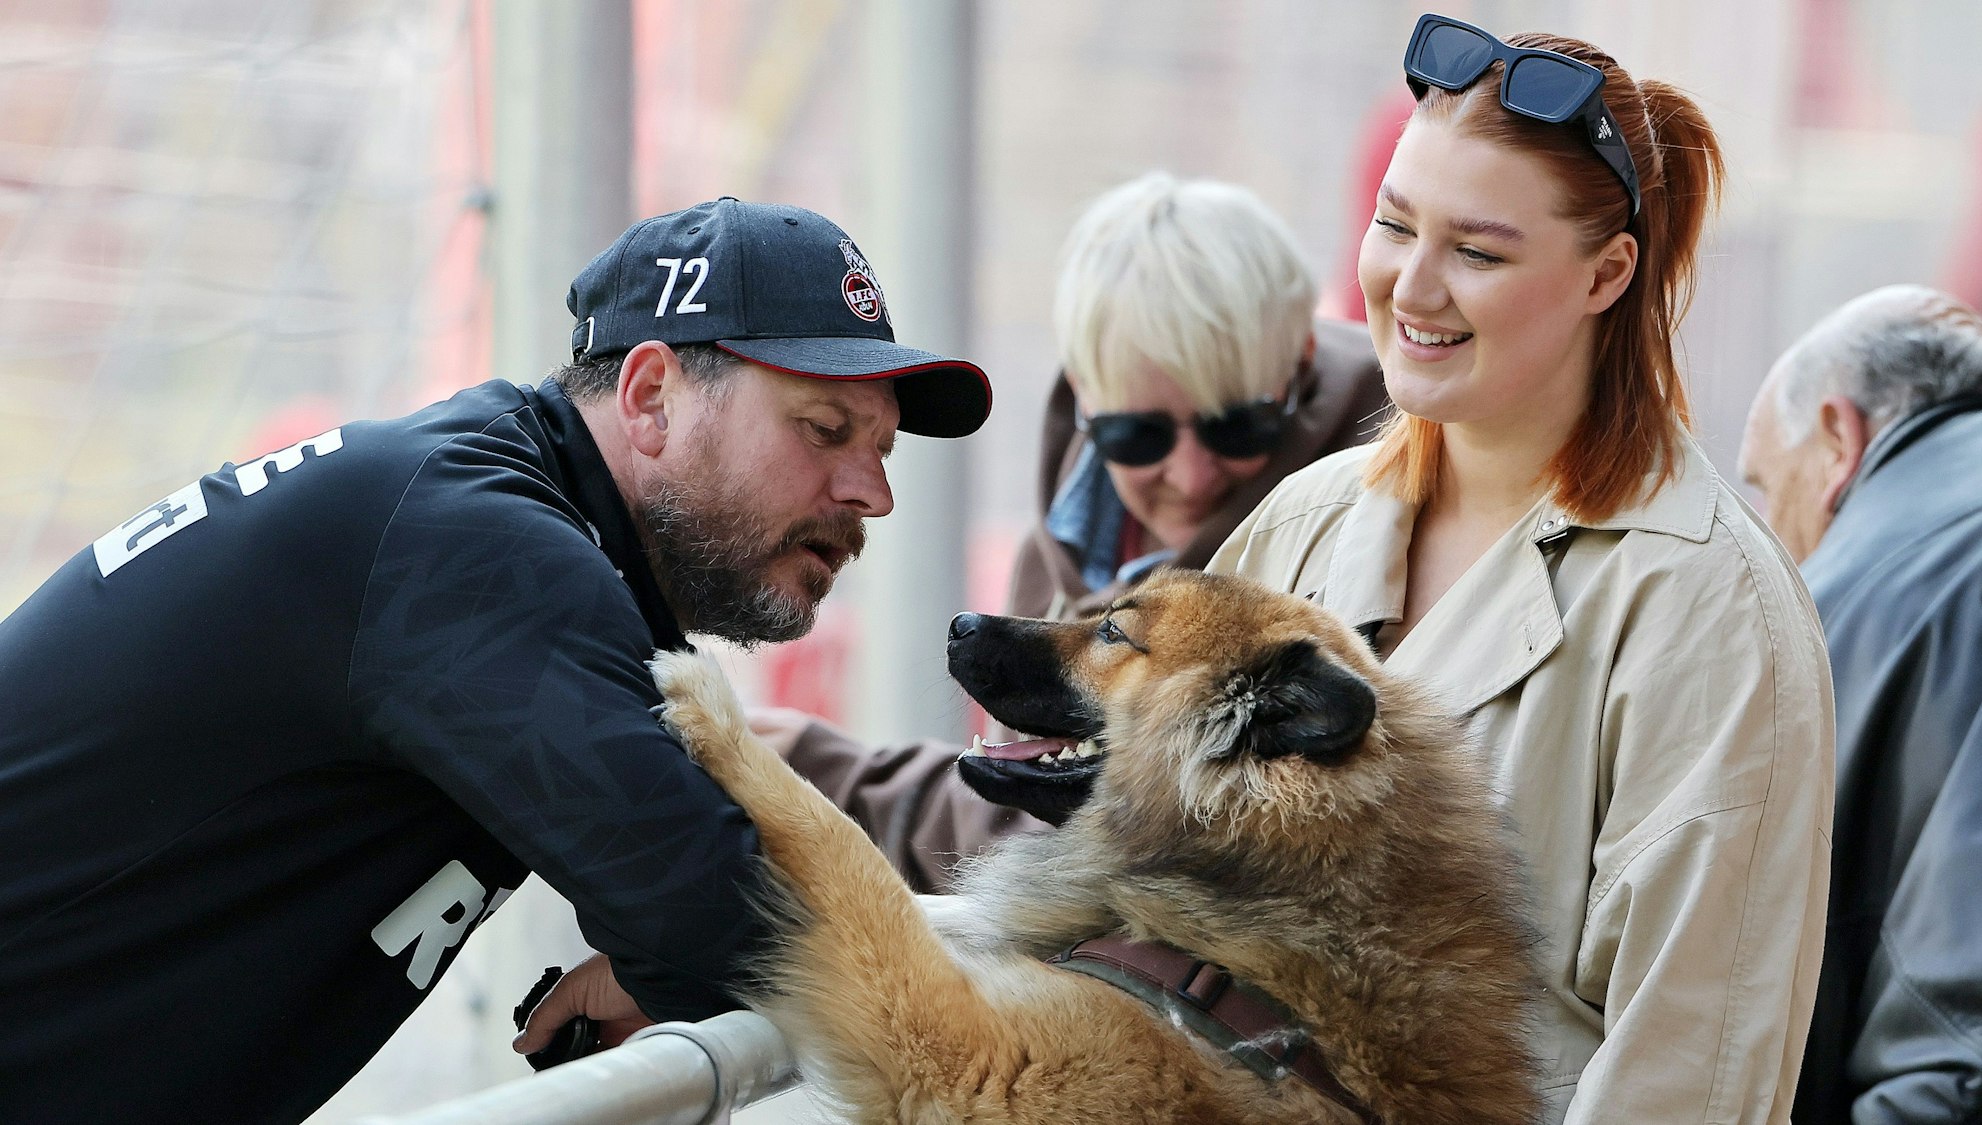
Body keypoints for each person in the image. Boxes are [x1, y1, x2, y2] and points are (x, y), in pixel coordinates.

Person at [0, 198, 991, 1123]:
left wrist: (673, 951)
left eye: (883, 450)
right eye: (824, 429)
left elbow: (703, 919)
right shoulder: (474, 547)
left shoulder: (482, 514)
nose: (871, 493)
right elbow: (736, 936)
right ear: (650, 397)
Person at [1209, 15, 1833, 1122]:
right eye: (1393, 225)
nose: (1412, 287)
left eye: (1478, 252)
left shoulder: (1702, 608)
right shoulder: (1298, 527)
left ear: (1606, 273)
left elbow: (1687, 1072)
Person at [750, 172, 1388, 892]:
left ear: (1299, 366)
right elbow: (1036, 796)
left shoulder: (1356, 527)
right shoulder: (1056, 552)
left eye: (1236, 423)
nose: (1191, 473)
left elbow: (1126, 840)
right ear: (1085, 395)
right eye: (1138, 434)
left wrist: (836, 773)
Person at [1739, 285, 1982, 1125]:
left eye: (1766, 488)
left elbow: (1964, 1031)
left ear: (1838, 437)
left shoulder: (1847, 600)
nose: (1773, 531)